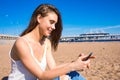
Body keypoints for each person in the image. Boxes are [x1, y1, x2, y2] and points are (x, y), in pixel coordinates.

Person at [8, 4, 94, 80]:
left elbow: (53, 68)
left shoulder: (46, 43)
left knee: (72, 74)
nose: (54, 27)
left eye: (55, 24)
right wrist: (73, 66)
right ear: (39, 18)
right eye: (51, 22)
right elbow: (41, 75)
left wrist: (76, 62)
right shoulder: (22, 43)